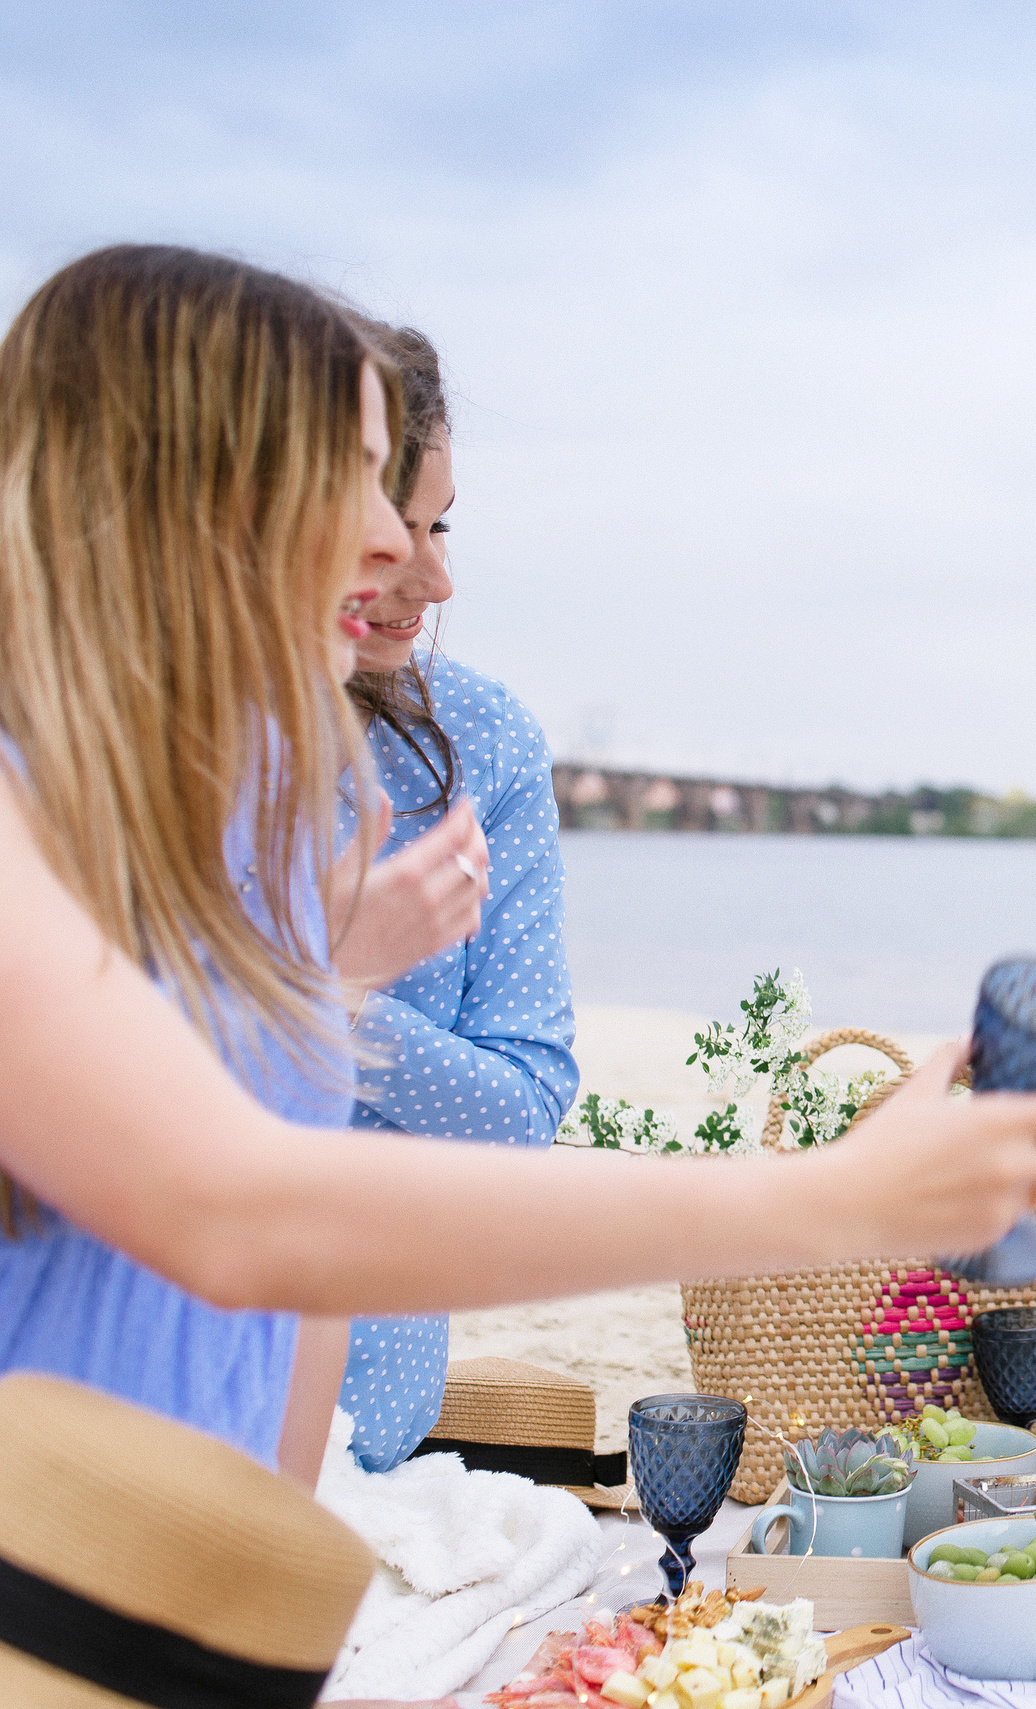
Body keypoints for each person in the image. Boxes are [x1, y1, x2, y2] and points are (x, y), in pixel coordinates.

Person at [0, 244, 1036, 1472]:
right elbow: (242, 1213)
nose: (399, 552)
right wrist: (831, 1200)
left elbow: (296, 1284)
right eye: (357, 481)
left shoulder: (201, 804)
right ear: (180, 493)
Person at [317, 323, 580, 1474]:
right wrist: (323, 984)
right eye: (387, 530)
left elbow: (523, 1108)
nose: (432, 578)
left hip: (372, 1437)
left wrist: (338, 1002)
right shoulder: (108, 757)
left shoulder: (480, 740)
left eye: (437, 523)